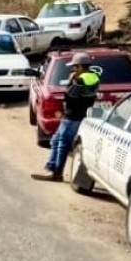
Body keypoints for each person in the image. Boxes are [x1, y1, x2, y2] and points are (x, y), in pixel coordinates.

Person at [32, 52, 100, 182]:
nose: (72, 69)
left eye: (74, 67)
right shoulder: (93, 77)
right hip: (73, 115)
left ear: (80, 67)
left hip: (73, 116)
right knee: (56, 140)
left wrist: (71, 81)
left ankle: (56, 172)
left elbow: (69, 95)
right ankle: (51, 168)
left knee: (61, 143)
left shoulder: (81, 79)